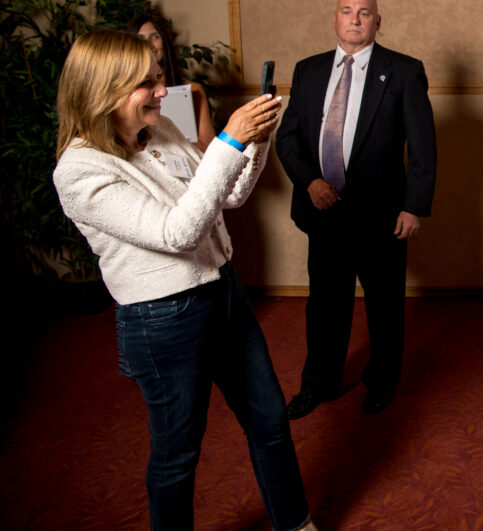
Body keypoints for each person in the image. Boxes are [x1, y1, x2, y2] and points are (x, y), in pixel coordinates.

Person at [53, 30, 315, 531]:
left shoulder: (162, 131)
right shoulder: (80, 171)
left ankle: (297, 524)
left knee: (270, 422)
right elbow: (177, 233)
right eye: (145, 84)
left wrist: (253, 145)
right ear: (103, 89)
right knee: (178, 455)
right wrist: (229, 141)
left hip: (224, 292)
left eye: (156, 78)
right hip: (163, 319)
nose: (160, 91)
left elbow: (228, 196)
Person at [276, 0, 436, 419]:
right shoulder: (308, 71)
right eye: (347, 11)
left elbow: (423, 146)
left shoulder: (402, 72)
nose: (355, 19)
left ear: (377, 22)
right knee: (325, 305)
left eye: (364, 13)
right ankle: (318, 384)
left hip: (382, 216)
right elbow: (287, 138)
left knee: (385, 307)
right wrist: (308, 181)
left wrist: (414, 205)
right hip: (324, 211)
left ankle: (382, 382)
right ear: (335, 18)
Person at [132, 13, 217, 150]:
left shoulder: (193, 89)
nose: (148, 44)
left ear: (165, 41)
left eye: (155, 37)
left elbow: (209, 148)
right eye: (140, 38)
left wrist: (173, 140)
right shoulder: (129, 98)